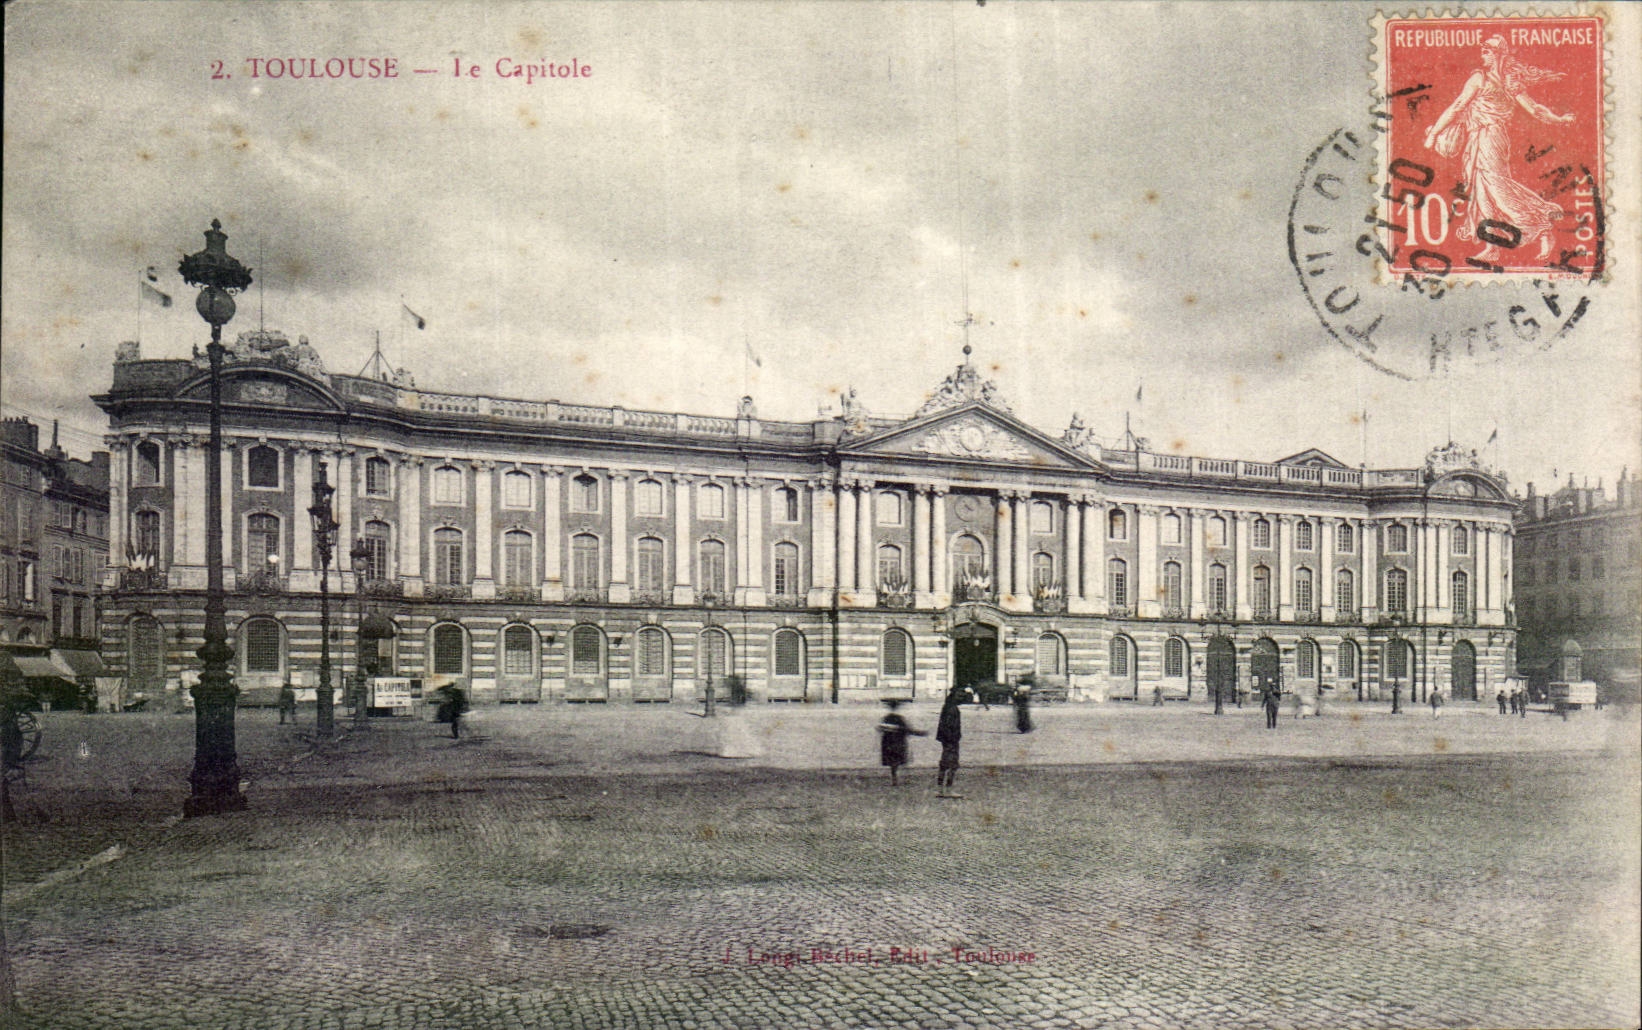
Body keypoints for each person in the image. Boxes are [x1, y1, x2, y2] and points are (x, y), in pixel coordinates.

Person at [1422, 35, 1576, 264]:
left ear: (1496, 54)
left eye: (1486, 51)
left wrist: (1434, 133)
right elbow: (1534, 109)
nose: (1482, 55)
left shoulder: (1485, 78)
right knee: (1482, 193)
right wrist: (1559, 119)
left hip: (1490, 138)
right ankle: (1492, 246)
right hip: (1480, 138)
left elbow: (1458, 106)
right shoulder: (1503, 79)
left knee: (1498, 189)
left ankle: (1541, 224)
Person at [877, 699, 924, 785]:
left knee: (893, 763)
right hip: (899, 742)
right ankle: (904, 778)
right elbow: (907, 730)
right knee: (902, 760)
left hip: (888, 743)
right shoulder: (899, 718)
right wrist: (919, 733)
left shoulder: (886, 718)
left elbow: (880, 729)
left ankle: (894, 779)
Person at [936, 690, 963, 796]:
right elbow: (951, 726)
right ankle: (948, 789)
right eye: (960, 696)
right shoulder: (953, 709)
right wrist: (953, 739)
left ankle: (940, 789)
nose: (961, 699)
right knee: (952, 765)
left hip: (946, 740)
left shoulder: (946, 707)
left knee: (944, 764)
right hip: (951, 740)